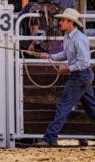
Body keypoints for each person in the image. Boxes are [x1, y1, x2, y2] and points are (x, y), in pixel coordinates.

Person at [35, 8, 95, 147]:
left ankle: (50, 138)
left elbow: (84, 62)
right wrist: (50, 56)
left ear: (70, 22)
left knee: (63, 105)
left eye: (62, 20)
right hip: (82, 76)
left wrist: (68, 68)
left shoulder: (79, 39)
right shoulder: (69, 36)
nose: (60, 22)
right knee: (91, 108)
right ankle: (51, 137)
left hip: (80, 76)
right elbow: (66, 54)